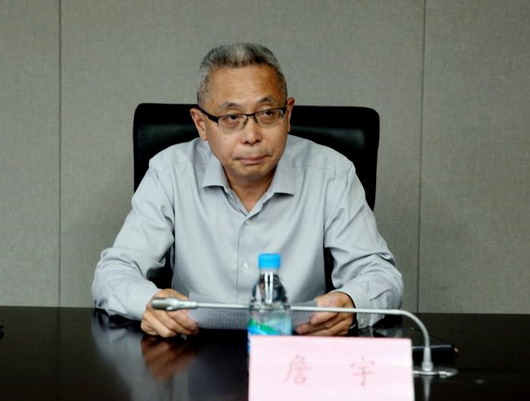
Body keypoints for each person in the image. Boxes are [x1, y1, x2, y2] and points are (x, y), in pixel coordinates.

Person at [92, 43, 402, 338]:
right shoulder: (170, 172)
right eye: (231, 118)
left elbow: (379, 275)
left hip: (293, 350)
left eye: (267, 113)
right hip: (189, 351)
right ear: (201, 124)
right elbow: (114, 271)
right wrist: (147, 303)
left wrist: (350, 302)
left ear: (288, 115)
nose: (251, 135)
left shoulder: (332, 174)